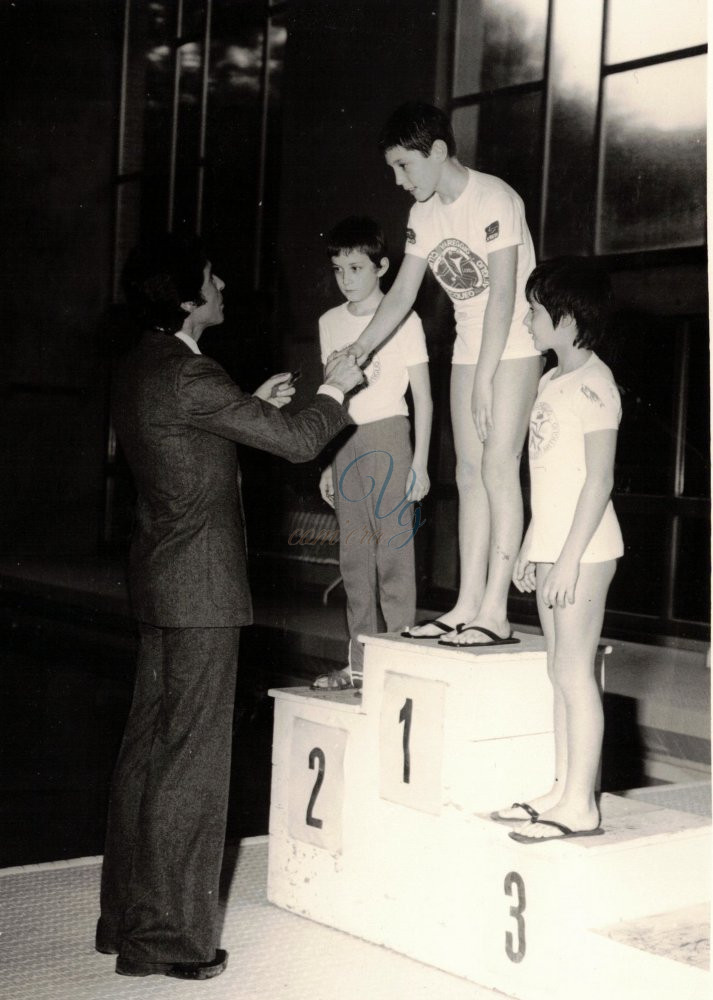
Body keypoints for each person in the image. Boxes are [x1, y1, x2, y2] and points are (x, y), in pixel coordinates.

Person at [96, 233, 362, 979]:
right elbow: (301, 442)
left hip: (158, 580)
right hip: (201, 589)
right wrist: (334, 386)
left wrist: (251, 406)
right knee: (192, 764)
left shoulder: (144, 366)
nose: (220, 288)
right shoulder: (190, 372)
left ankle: (124, 921)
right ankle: (170, 942)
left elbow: (190, 438)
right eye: (210, 280)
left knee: (148, 753)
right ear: (185, 298)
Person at [331, 102, 542, 647]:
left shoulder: (495, 198)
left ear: (439, 152)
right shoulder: (424, 214)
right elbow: (402, 292)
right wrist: (357, 350)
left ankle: (496, 609)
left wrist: (485, 378)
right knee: (468, 473)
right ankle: (467, 603)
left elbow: (501, 297)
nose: (399, 181)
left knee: (498, 466)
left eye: (404, 166)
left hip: (513, 341)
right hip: (472, 346)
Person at [491, 257, 623, 843]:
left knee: (574, 672)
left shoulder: (596, 384)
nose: (526, 319)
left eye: (535, 311)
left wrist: (567, 559)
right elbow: (548, 478)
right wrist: (530, 547)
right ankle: (562, 788)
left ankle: (582, 806)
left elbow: (598, 482)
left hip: (587, 550)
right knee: (557, 670)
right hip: (555, 546)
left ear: (568, 320)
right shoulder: (551, 380)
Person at [311, 216, 432, 691]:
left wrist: (420, 462)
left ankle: (399, 661)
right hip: (346, 441)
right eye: (339, 269)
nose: (346, 279)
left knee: (394, 557)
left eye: (356, 268)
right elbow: (329, 397)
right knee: (355, 560)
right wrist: (326, 460)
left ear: (382, 267)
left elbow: (422, 396)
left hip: (389, 437)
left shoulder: (405, 318)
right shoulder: (329, 322)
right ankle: (359, 665)